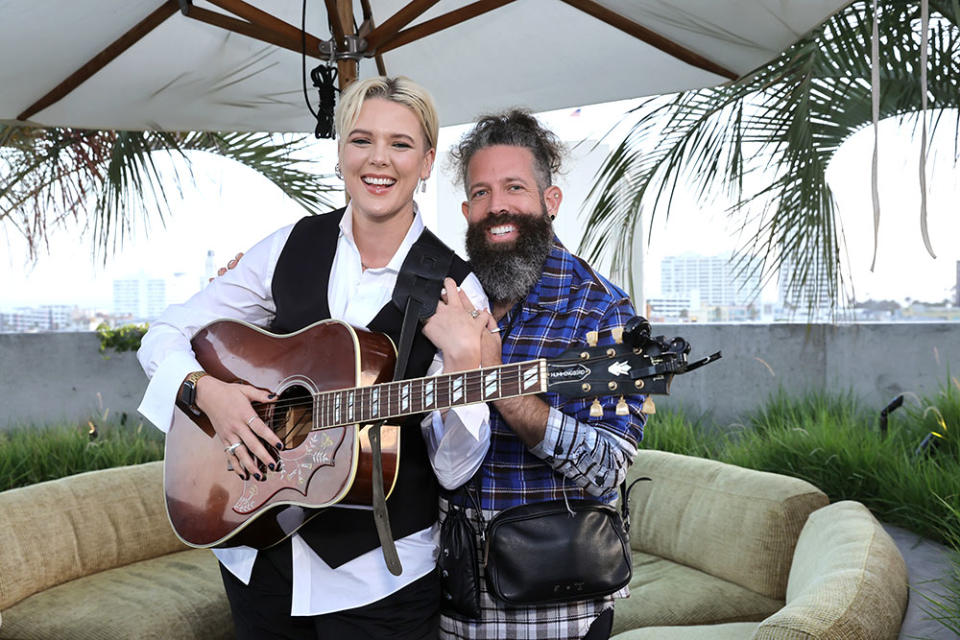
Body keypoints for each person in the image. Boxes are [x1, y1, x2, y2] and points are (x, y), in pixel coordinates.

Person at [136, 76, 493, 640]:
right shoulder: (288, 246)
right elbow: (164, 333)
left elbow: (453, 469)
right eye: (361, 140)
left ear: (427, 162)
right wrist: (208, 393)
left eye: (401, 144)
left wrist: (467, 364)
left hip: (378, 578)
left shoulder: (458, 290)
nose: (379, 159)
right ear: (340, 154)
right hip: (256, 551)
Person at [440, 111, 647, 640]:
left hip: (554, 610)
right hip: (452, 603)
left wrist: (502, 388)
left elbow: (606, 470)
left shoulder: (602, 311)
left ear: (550, 202)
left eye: (515, 187)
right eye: (482, 193)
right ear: (467, 211)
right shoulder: (453, 301)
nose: (498, 206)